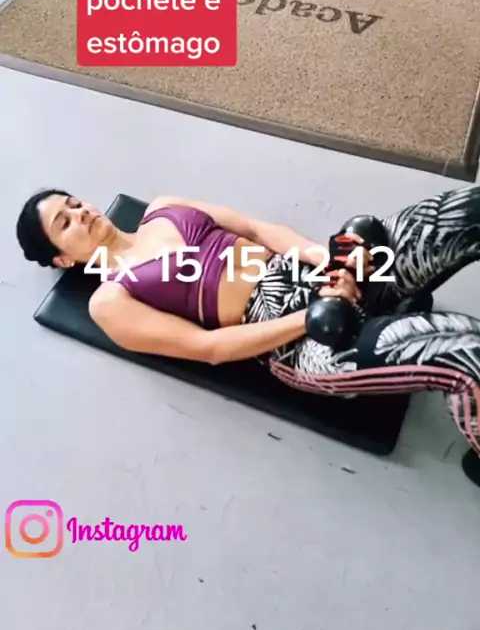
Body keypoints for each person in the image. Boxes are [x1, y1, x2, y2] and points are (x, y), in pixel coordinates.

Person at [16, 184, 480, 485]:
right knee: (462, 350)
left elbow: (258, 229)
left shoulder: (163, 208)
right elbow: (210, 348)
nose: (80, 214)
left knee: (466, 212)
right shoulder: (111, 299)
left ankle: (378, 298)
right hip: (302, 342)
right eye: (64, 222)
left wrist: (328, 260)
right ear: (62, 259)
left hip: (322, 277)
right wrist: (314, 314)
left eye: (74, 203)